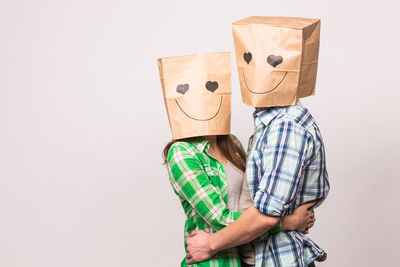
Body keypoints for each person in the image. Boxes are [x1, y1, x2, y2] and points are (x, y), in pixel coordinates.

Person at [185, 16, 330, 267]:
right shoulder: (270, 123)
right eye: (248, 59)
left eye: (272, 61)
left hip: (276, 260)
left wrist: (210, 244)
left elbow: (266, 216)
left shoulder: (286, 127)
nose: (257, 69)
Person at [164, 134, 315, 266]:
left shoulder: (232, 142)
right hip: (215, 261)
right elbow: (221, 220)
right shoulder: (181, 152)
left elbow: (252, 198)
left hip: (251, 255)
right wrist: (289, 222)